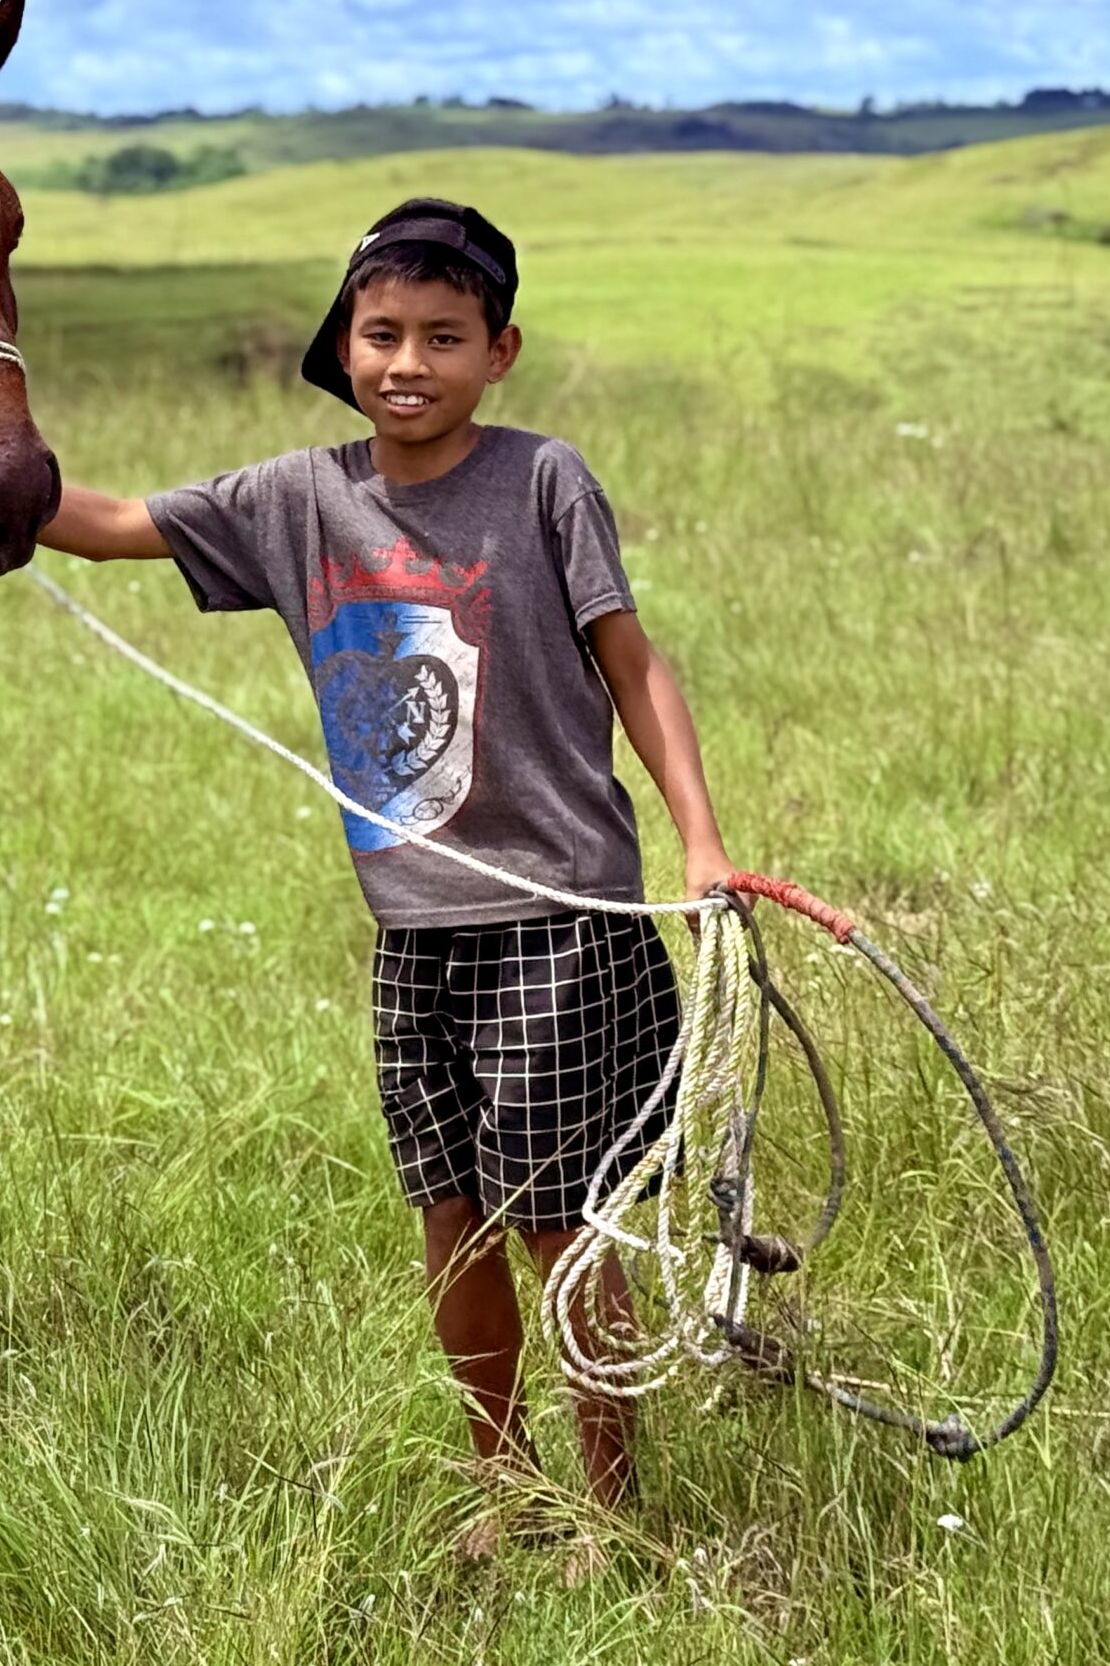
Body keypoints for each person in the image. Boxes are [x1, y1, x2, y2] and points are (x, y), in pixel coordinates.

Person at [38, 198, 734, 1538]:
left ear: (501, 351)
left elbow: (633, 665)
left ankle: (607, 1506)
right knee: (453, 1217)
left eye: (444, 336)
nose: (408, 361)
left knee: (559, 1226)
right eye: (382, 333)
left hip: (557, 918)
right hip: (414, 931)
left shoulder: (544, 482)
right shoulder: (297, 500)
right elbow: (115, 519)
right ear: (343, 344)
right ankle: (501, 1479)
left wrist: (700, 840)